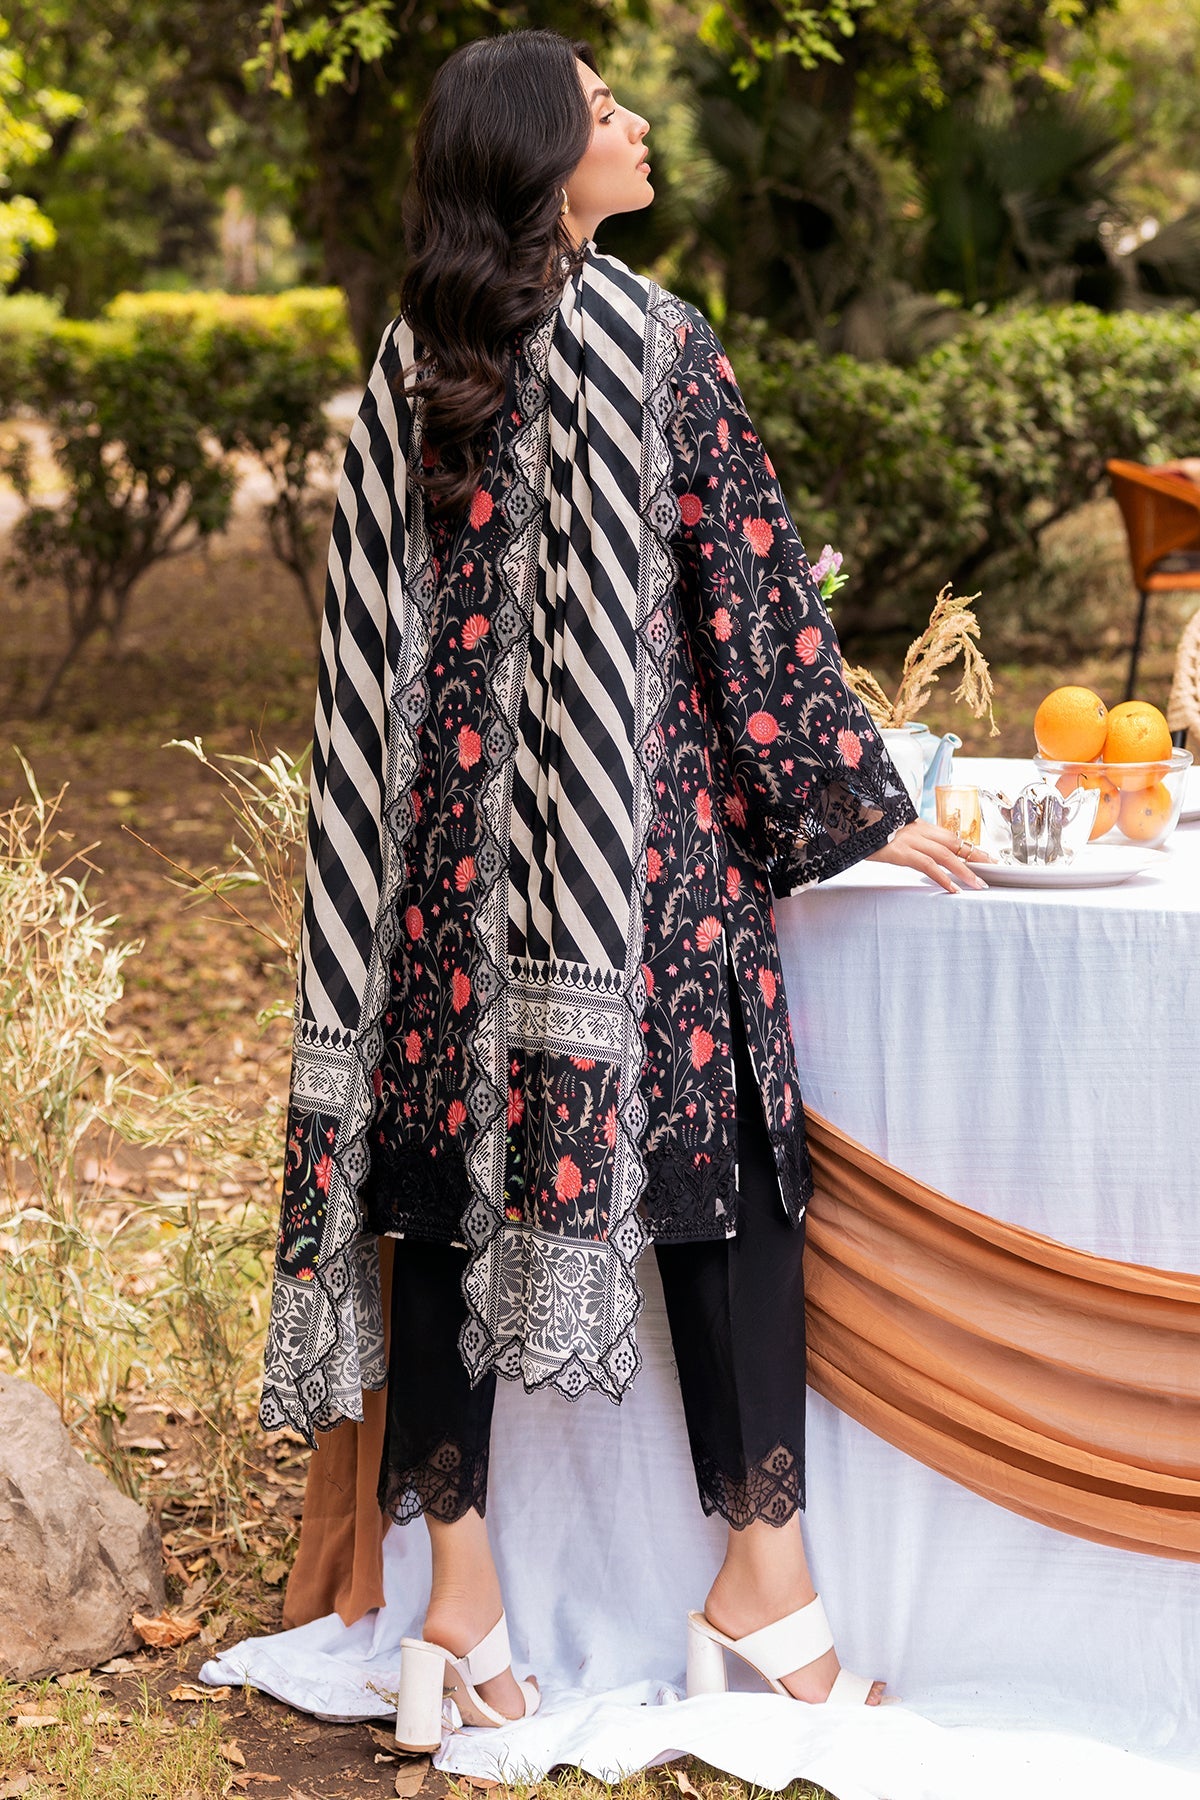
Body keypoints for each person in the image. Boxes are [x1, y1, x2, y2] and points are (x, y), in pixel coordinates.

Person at [259, 26, 991, 1750]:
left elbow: (367, 643)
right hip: (635, 865)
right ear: (542, 155)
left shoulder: (413, 353)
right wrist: (852, 804)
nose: (638, 121)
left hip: (445, 875)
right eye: (603, 109)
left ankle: (460, 1611)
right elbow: (750, 610)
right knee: (727, 1186)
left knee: (442, 1198)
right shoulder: (657, 345)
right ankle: (765, 1586)